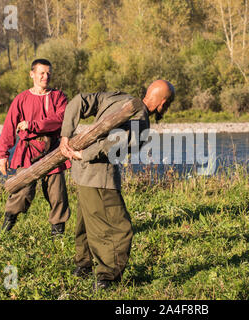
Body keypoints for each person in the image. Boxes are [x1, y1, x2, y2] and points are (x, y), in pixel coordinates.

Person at [59, 80, 175, 290]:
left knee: (87, 220)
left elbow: (79, 100)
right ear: (163, 103)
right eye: (168, 104)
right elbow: (115, 144)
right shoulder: (141, 119)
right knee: (119, 228)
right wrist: (85, 154)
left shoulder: (119, 98)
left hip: (81, 172)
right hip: (99, 176)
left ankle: (83, 265)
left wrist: (66, 135)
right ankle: (107, 277)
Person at [0, 59, 71, 236]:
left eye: (48, 73)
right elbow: (9, 127)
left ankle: (58, 235)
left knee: (57, 194)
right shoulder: (21, 99)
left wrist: (32, 125)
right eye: (42, 73)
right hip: (28, 150)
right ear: (32, 74)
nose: (46, 77)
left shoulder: (59, 97)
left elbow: (60, 120)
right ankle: (4, 232)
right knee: (23, 191)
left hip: (53, 148)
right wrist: (2, 154)